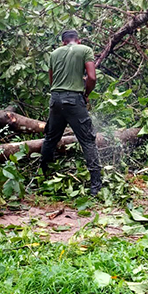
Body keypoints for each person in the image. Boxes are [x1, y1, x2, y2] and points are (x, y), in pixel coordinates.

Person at [40, 29, 102, 196]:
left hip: (55, 99)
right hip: (74, 99)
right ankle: (96, 186)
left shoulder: (54, 54)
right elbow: (92, 77)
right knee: (88, 140)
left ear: (63, 42)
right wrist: (85, 94)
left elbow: (52, 80)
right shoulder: (85, 50)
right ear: (78, 41)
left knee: (51, 138)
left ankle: (43, 177)